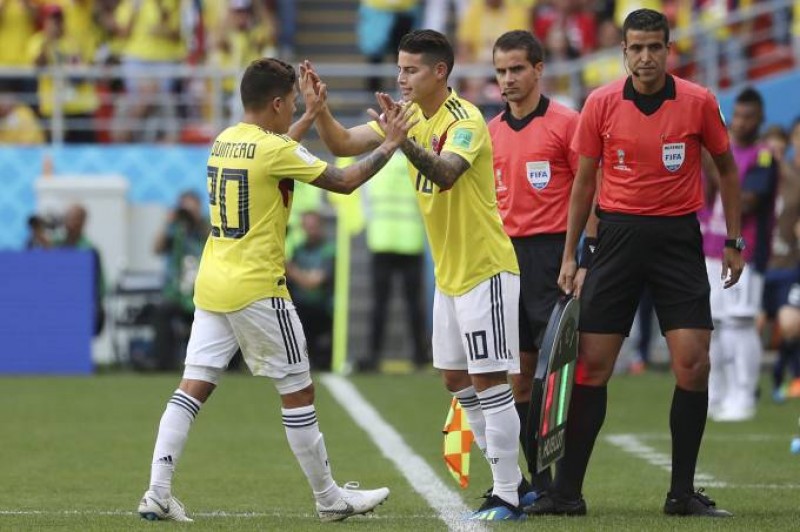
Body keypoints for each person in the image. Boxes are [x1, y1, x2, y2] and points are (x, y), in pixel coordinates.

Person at [136, 57, 415, 522]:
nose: (295, 111)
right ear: (278, 102)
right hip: (259, 289)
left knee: (190, 390)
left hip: (213, 284)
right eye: (293, 105)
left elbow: (273, 153)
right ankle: (329, 499)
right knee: (298, 392)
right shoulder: (272, 149)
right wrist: (390, 144)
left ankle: (157, 491)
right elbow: (344, 181)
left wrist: (309, 116)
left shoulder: (224, 139)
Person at [527, 9, 743, 517]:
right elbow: (583, 184)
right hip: (616, 241)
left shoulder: (699, 102)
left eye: (654, 47)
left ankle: (681, 493)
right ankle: (566, 493)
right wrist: (570, 254)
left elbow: (728, 172)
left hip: (678, 241)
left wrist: (733, 240)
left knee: (694, 364)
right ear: (622, 51)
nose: (645, 56)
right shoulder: (599, 103)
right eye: (636, 48)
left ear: (669, 50)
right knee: (592, 368)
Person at [307, 29, 526, 520]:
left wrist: (399, 142)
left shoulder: (466, 119)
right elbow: (342, 144)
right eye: (399, 69)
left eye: (411, 70)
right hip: (449, 274)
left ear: (439, 72)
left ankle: (509, 492)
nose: (401, 78)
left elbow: (447, 173)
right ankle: (509, 477)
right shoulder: (403, 119)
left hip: (484, 268)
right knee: (454, 377)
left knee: (489, 379)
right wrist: (320, 109)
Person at [488, 29, 578, 500]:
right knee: (519, 378)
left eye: (517, 69)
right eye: (501, 71)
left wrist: (582, 257)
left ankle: (566, 481)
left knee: (556, 376)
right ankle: (539, 483)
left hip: (553, 257)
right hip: (506, 260)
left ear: (539, 69)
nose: (508, 79)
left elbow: (593, 193)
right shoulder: (491, 132)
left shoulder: (566, 123)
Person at [701, 87, 778, 422]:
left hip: (744, 250)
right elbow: (704, 196)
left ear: (760, 119)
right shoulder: (722, 154)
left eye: (749, 117)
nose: (742, 122)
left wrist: (716, 169)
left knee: (740, 323)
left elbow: (748, 202)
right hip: (709, 250)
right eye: (738, 115)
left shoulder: (763, 157)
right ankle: (716, 394)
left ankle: (744, 394)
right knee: (712, 326)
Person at [359, 151, 430, 373]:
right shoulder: (415, 163)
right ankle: (419, 356)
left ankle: (373, 356)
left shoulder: (375, 163)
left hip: (381, 240)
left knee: (380, 304)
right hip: (411, 241)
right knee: (414, 305)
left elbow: (366, 204)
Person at [151, 191, 209, 371]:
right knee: (161, 311)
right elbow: (157, 248)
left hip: (202, 293)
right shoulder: (175, 230)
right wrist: (168, 222)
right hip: (176, 293)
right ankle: (163, 364)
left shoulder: (206, 228)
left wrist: (198, 221)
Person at [286, 210, 335, 371]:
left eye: (314, 226)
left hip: (322, 308)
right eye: (307, 227)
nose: (310, 230)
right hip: (300, 307)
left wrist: (294, 271)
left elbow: (314, 282)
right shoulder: (298, 250)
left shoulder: (329, 250)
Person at [55, 204, 106, 336]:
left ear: (84, 222)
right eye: (69, 218)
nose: (72, 223)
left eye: (77, 219)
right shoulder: (54, 245)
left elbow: (100, 286)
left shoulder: (90, 250)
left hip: (81, 303)